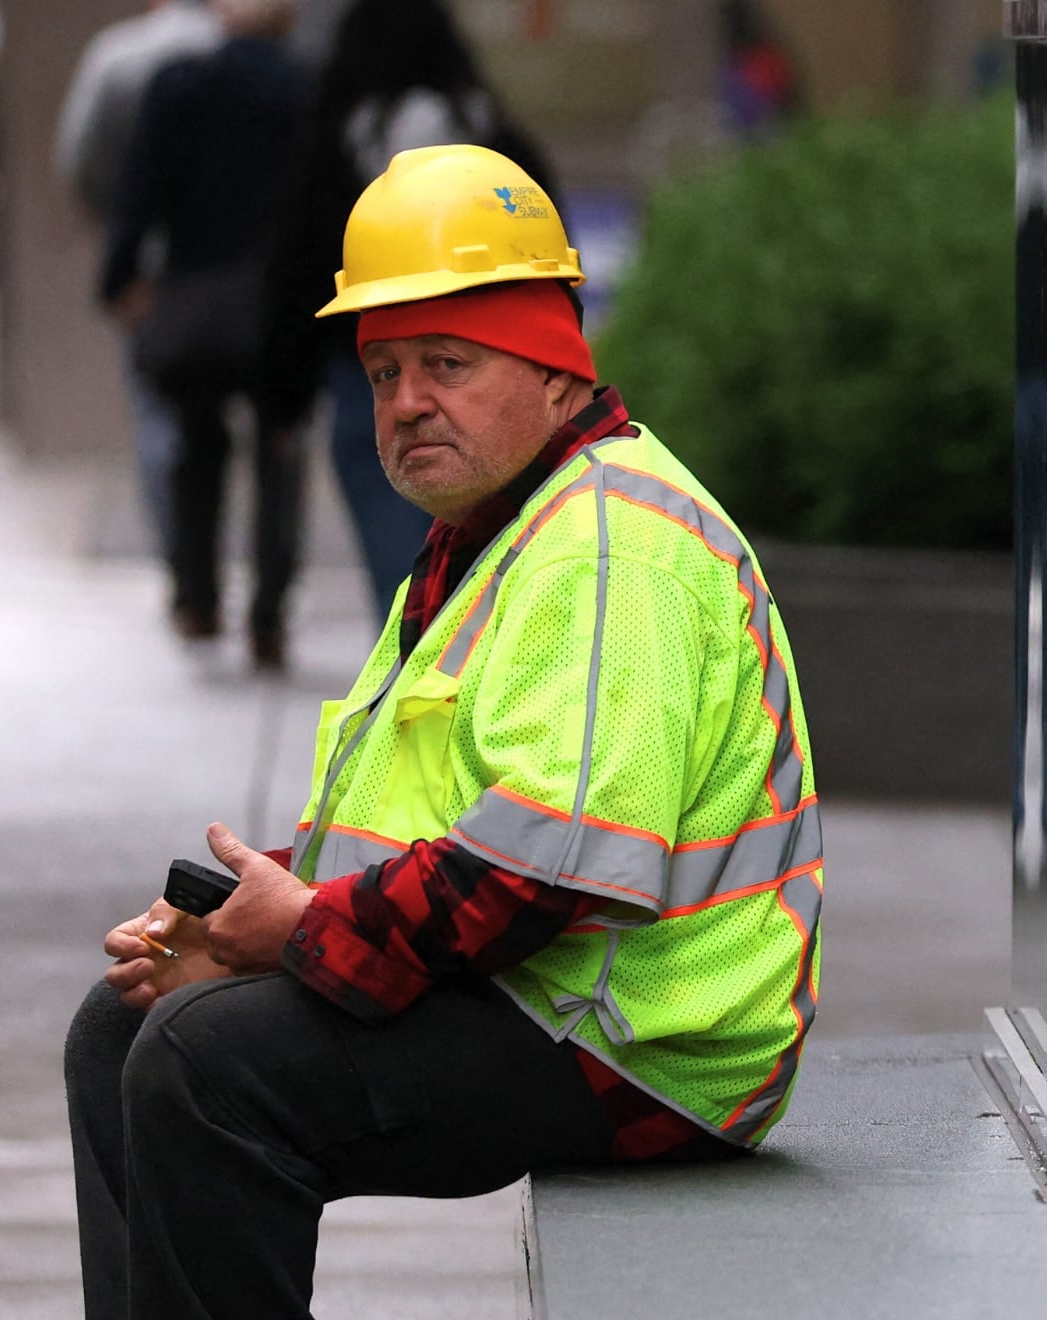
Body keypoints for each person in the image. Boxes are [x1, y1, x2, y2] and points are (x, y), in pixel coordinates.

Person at [63, 144, 823, 1319]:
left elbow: (543, 871)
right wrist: (244, 921)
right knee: (126, 1024)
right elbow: (440, 824)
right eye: (383, 371)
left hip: (647, 1043)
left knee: (205, 1064)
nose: (407, 401)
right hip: (543, 991)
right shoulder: (496, 529)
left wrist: (302, 932)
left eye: (448, 363)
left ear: (556, 369)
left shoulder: (609, 546)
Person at [259, 0, 559, 615]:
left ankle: (417, 667)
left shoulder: (332, 143)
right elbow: (548, 260)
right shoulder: (494, 140)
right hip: (490, 374)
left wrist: (284, 399)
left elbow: (295, 271)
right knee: (495, 578)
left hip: (364, 379)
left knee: (402, 589)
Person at [100, 0, 307, 666]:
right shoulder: (304, 88)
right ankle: (269, 614)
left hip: (196, 299)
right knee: (280, 451)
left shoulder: (181, 84)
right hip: (280, 304)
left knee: (197, 446)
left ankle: (197, 597)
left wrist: (121, 275)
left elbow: (139, 189)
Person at [53, 0, 219, 563]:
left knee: (159, 416)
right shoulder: (245, 50)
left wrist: (123, 248)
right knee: (265, 425)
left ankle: (182, 565)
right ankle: (263, 579)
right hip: (242, 270)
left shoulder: (117, 57)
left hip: (153, 270)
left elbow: (80, 161)